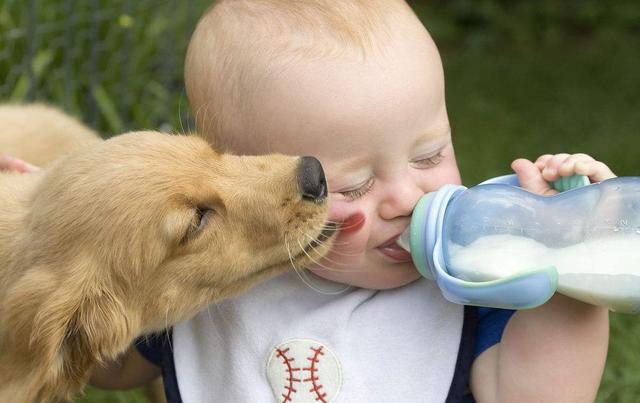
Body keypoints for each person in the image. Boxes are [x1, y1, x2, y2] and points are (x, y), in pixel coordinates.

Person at [5, 1, 613, 401]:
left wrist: (567, 266)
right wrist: (55, 230)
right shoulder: (216, 288)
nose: (406, 197)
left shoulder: (472, 278)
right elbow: (108, 362)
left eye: (429, 156)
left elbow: (543, 393)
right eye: (348, 187)